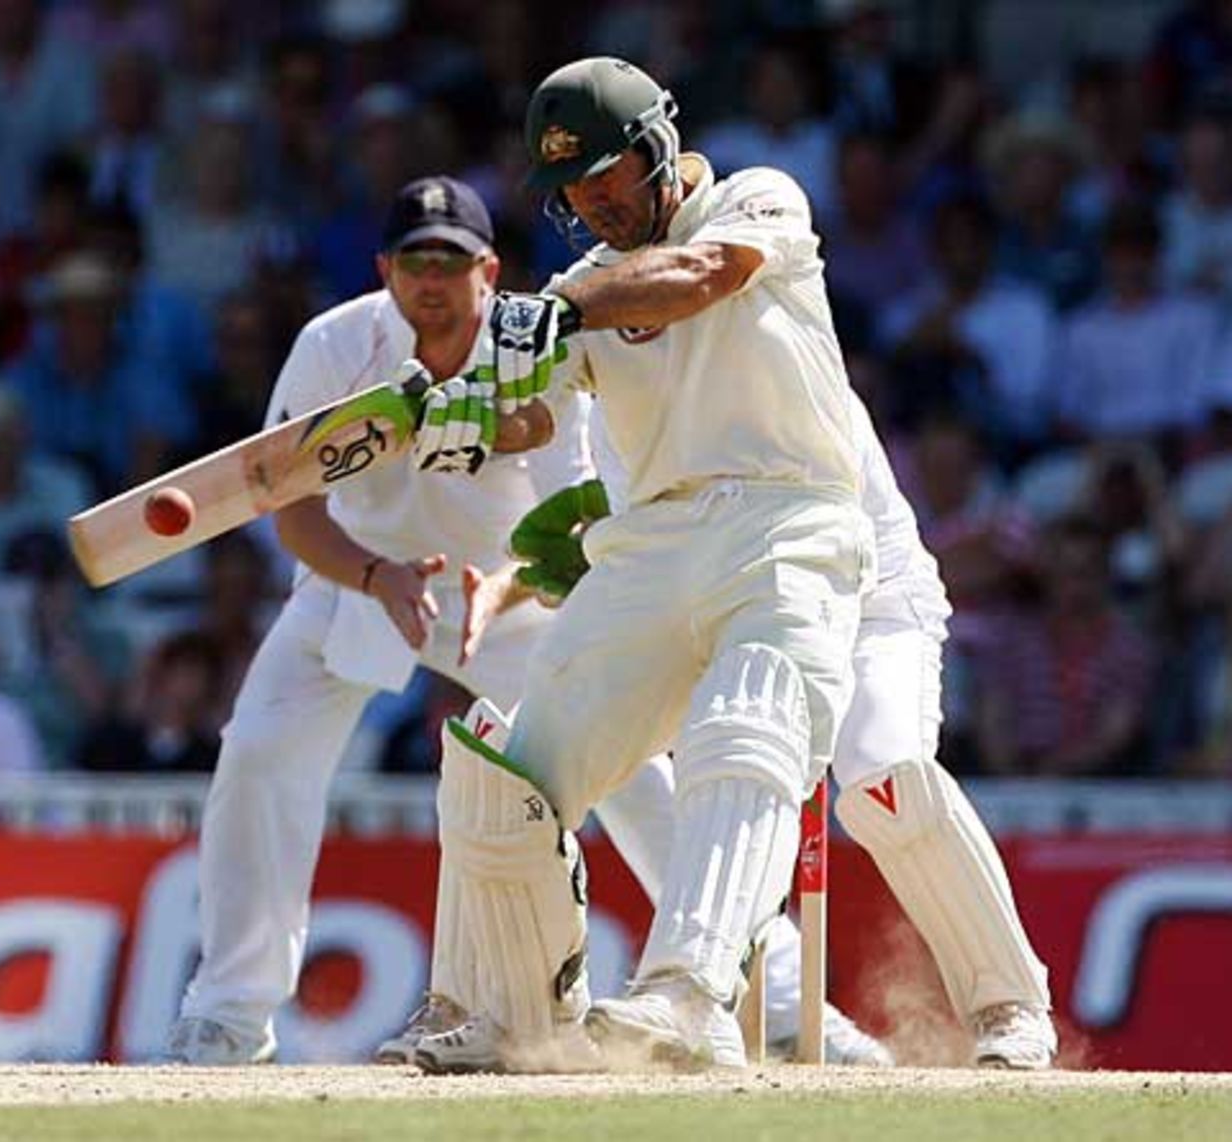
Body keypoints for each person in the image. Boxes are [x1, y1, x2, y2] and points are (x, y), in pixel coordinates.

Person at [408, 56, 878, 1073]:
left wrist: (558, 310)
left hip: (786, 520)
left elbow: (697, 280)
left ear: (660, 151)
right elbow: (533, 406)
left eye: (610, 176)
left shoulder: (753, 203)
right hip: (653, 540)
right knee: (516, 768)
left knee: (743, 727)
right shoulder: (579, 287)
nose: (594, 204)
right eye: (573, 193)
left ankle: (689, 997)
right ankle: (501, 1008)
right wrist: (459, 414)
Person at [455, 393, 1058, 1069]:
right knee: (546, 765)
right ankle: (538, 1013)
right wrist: (503, 588)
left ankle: (1009, 1007)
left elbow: (774, 533)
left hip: (863, 600)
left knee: (885, 782)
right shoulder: (609, 391)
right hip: (722, 601)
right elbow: (596, 543)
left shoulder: (768, 350)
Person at [165, 175, 592, 1064]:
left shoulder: (536, 349)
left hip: (508, 589)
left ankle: (746, 992)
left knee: (630, 765)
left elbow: (575, 520)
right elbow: (291, 510)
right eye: (414, 261)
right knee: (259, 752)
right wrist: (372, 574)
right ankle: (231, 1014)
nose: (432, 279)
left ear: (491, 271)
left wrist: (503, 586)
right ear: (384, 270)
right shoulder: (335, 344)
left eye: (452, 261)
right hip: (359, 580)